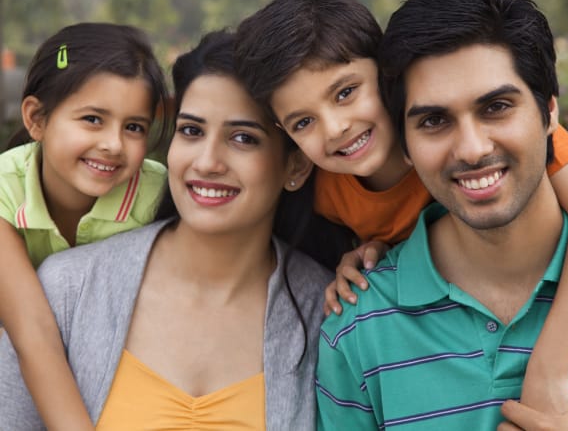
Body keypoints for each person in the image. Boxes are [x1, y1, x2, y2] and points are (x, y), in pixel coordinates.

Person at [235, 0, 568, 412]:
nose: (336, 127)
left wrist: (550, 367)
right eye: (304, 121)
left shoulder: (524, 138)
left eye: (345, 93)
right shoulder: (324, 197)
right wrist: (360, 258)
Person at [0, 30, 333, 430]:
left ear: (296, 166)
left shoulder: (329, 315)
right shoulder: (66, 289)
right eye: (191, 131)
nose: (207, 162)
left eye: (243, 138)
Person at [0, 22, 169, 431]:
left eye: (134, 127)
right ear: (36, 119)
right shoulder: (5, 188)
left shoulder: (159, 197)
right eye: (93, 119)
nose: (113, 143)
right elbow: (31, 331)